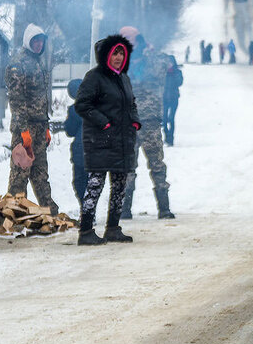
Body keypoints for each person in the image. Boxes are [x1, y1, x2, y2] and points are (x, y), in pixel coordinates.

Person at [73, 34, 140, 245]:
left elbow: (131, 104)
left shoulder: (124, 79)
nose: (119, 57)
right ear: (106, 56)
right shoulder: (94, 77)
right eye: (115, 53)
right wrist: (104, 123)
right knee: (95, 186)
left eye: (122, 53)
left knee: (120, 187)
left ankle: (113, 228)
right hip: (101, 141)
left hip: (122, 142)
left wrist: (135, 121)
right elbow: (82, 104)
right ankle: (85, 232)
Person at [119, 28, 175, 220]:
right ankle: (124, 209)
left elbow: (165, 67)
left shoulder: (151, 57)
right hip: (127, 121)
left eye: (128, 38)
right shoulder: (121, 61)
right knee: (127, 166)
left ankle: (164, 208)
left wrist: (149, 53)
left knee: (157, 164)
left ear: (137, 39)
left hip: (149, 120)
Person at [5, 23, 59, 213]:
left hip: (39, 126)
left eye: (41, 42)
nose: (38, 45)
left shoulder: (38, 63)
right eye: (35, 41)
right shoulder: (17, 65)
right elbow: (17, 101)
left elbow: (40, 101)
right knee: (21, 172)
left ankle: (48, 211)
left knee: (40, 171)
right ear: (28, 42)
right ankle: (14, 213)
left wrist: (45, 127)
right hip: (24, 129)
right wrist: (23, 131)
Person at [63, 79, 87, 205]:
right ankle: (90, 209)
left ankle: (86, 209)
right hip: (98, 151)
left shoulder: (74, 110)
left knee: (80, 182)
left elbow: (70, 131)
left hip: (80, 152)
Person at [163, 53, 183, 146]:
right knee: (164, 119)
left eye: (170, 62)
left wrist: (173, 72)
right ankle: (166, 136)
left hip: (174, 98)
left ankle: (171, 139)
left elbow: (179, 82)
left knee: (171, 118)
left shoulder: (177, 72)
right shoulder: (162, 73)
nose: (169, 64)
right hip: (164, 98)